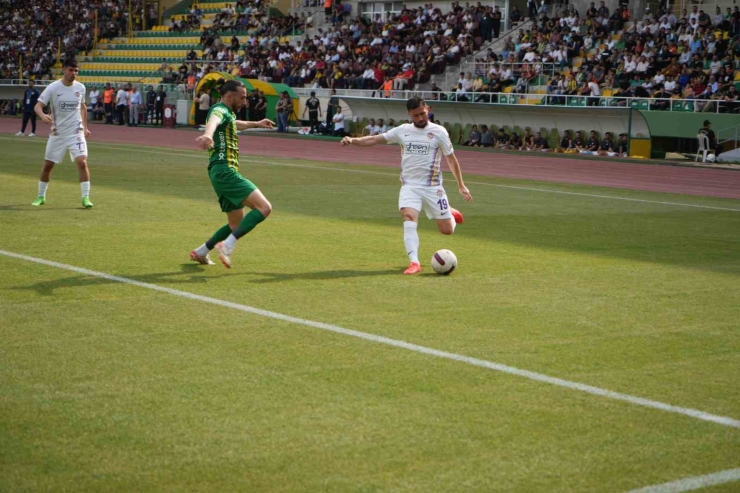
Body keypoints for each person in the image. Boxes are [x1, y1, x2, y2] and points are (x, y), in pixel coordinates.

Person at [340, 97, 472, 275]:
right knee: (408, 218)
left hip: (433, 187)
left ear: (428, 109)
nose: (420, 118)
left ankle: (450, 213)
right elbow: (374, 139)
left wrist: (461, 185)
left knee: (447, 230)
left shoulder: (439, 132)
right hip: (409, 186)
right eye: (416, 115)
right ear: (409, 114)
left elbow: (451, 159)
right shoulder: (403, 130)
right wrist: (353, 140)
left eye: (423, 114)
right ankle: (414, 262)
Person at [190, 79, 275, 268]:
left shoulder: (228, 112)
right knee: (264, 208)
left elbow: (234, 123)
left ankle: (201, 251)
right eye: (242, 97)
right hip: (225, 170)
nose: (245, 100)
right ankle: (227, 245)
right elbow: (214, 120)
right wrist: (208, 134)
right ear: (229, 96)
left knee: (236, 223)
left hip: (219, 172)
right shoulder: (219, 109)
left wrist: (257, 123)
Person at [31, 58, 93, 209]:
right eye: (71, 70)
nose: (74, 73)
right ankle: (41, 196)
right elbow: (38, 106)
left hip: (75, 132)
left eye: (76, 70)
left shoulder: (80, 88)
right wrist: (42, 115)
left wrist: (85, 127)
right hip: (57, 133)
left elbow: (83, 107)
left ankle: (85, 197)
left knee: (82, 162)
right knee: (48, 166)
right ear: (64, 69)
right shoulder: (53, 88)